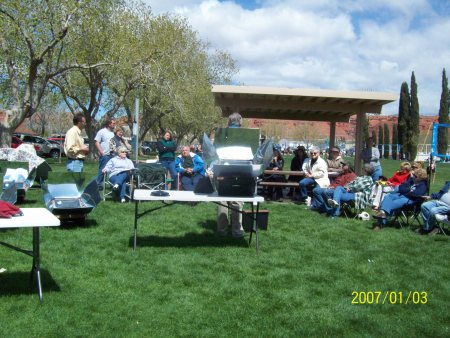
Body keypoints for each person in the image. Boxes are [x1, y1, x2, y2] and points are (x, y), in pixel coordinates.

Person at [217, 112, 245, 238]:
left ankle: (222, 230)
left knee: (222, 201)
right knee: (237, 202)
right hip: (239, 171)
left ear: (229, 121)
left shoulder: (222, 134)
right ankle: (237, 231)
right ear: (240, 121)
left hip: (224, 169)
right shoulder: (245, 135)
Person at [95, 119, 115, 186]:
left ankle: (111, 184)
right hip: (105, 154)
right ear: (109, 124)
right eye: (113, 123)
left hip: (112, 154)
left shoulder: (112, 133)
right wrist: (101, 151)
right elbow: (97, 142)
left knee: (112, 170)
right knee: (103, 169)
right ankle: (98, 184)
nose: (114, 125)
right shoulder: (102, 131)